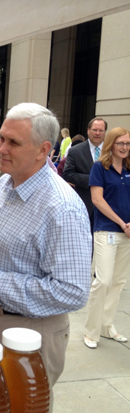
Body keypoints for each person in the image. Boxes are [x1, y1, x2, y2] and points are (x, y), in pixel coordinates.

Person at [0, 103, 92, 389]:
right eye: (0, 138)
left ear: (43, 150)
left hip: (32, 332)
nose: (0, 148)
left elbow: (72, 291)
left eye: (13, 142)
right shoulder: (5, 183)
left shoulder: (62, 207)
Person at [83, 127, 130, 349]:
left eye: (127, 143)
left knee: (118, 281)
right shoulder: (100, 167)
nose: (124, 147)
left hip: (127, 234)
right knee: (103, 281)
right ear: (111, 144)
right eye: (120, 143)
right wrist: (121, 222)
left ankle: (106, 326)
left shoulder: (129, 168)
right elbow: (97, 200)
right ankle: (91, 331)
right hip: (107, 231)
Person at [62, 118, 107, 232]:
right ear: (88, 130)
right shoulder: (75, 151)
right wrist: (94, 181)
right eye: (94, 130)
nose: (97, 133)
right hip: (84, 204)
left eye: (101, 130)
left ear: (105, 132)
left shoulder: (111, 151)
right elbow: (67, 174)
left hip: (108, 204)